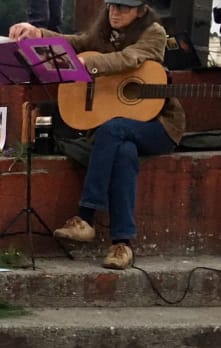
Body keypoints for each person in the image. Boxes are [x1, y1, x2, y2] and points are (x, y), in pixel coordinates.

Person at [12, 0, 184, 269]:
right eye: (112, 6)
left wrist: (89, 64)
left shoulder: (154, 32)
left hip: (158, 123)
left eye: (123, 8)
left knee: (112, 128)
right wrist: (38, 33)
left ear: (140, 11)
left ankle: (85, 216)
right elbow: (77, 42)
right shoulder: (104, 31)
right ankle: (122, 245)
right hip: (120, 131)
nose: (115, 12)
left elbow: (130, 58)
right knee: (123, 150)